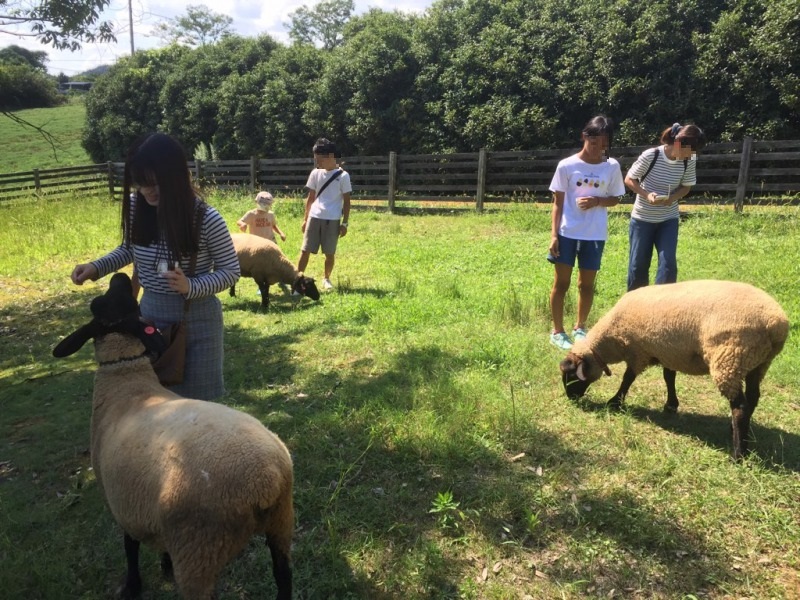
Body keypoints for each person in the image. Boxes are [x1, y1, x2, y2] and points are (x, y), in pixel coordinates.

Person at [70, 132, 240, 400]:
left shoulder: (207, 218)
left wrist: (191, 286)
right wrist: (96, 267)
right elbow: (129, 248)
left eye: (154, 182)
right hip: (148, 318)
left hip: (197, 323)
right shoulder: (138, 206)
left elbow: (231, 271)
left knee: (198, 408)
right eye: (140, 182)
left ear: (175, 177)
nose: (147, 190)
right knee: (154, 404)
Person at [548, 116, 626, 351]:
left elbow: (615, 199)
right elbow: (557, 203)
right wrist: (554, 235)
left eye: (602, 141)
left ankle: (580, 327)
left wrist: (597, 201)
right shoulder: (566, 165)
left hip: (594, 234)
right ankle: (557, 331)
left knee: (586, 285)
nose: (597, 146)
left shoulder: (611, 166)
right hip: (567, 232)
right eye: (593, 140)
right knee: (561, 283)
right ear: (584, 136)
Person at [624, 123, 706, 291]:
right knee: (637, 266)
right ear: (677, 143)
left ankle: (663, 307)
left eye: (694, 152)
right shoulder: (651, 155)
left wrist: (673, 198)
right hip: (642, 219)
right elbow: (629, 179)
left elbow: (686, 187)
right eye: (689, 151)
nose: (690, 155)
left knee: (668, 265)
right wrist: (647, 194)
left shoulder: (689, 160)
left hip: (668, 219)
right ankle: (634, 307)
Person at [297, 137, 352, 291]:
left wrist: (345, 223)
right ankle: (298, 279)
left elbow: (347, 201)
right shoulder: (315, 173)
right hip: (314, 217)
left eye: (319, 159)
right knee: (305, 249)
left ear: (330, 156)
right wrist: (305, 219)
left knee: (329, 252)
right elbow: (310, 198)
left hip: (333, 219)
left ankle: (326, 279)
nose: (317, 162)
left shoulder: (343, 176)